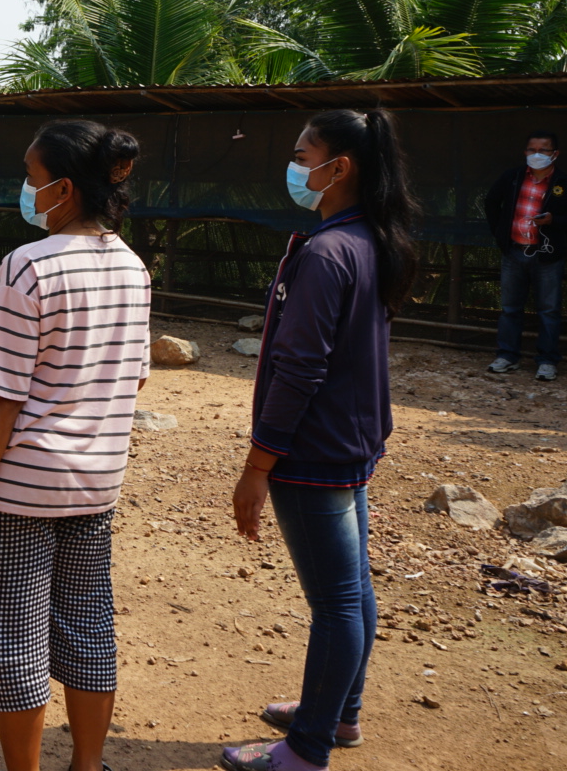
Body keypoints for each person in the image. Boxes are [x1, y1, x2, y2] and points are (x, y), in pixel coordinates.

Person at [0, 120, 147, 771]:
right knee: (87, 627)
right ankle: (87, 765)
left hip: (21, 491)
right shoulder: (133, 269)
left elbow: (0, 399)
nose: (25, 193)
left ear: (61, 189)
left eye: (30, 180)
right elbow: (130, 378)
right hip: (97, 485)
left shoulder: (27, 266)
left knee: (12, 637)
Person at [221, 108, 419, 771]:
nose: (295, 166)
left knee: (335, 601)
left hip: (313, 453)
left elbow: (299, 367)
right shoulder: (369, 239)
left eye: (304, 155)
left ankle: (306, 749)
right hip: (352, 443)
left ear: (340, 168)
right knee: (352, 587)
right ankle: (340, 713)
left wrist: (258, 464)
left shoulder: (329, 252)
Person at [483, 129, 567, 382]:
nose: (537, 154)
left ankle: (547, 361)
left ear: (555, 154)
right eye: (532, 150)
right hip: (514, 252)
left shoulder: (566, 184)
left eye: (543, 150)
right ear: (525, 152)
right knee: (510, 308)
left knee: (549, 310)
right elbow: (490, 202)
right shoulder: (513, 177)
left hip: (547, 257)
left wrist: (555, 221)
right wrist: (500, 234)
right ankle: (507, 356)